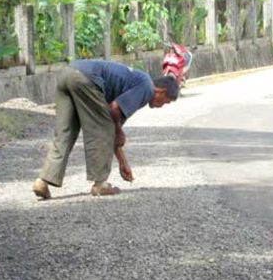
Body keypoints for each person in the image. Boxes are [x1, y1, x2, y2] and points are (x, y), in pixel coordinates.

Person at [32, 59, 179, 200]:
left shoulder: (139, 80)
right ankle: (100, 183)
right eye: (166, 101)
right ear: (161, 91)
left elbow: (114, 129)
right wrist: (119, 131)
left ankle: (42, 181)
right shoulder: (146, 88)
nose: (162, 105)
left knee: (65, 133)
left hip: (68, 73)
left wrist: (123, 163)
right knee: (103, 127)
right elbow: (113, 112)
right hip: (86, 79)